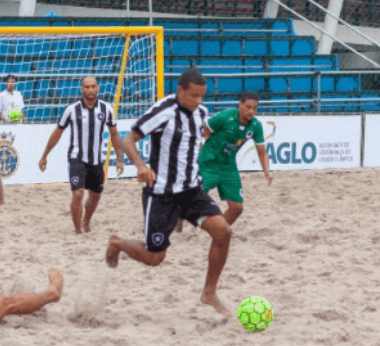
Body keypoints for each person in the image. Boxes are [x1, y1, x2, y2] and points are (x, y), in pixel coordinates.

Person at [105, 68, 233, 316]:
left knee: (223, 232)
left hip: (191, 190)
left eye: (202, 96)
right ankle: (118, 243)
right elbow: (128, 140)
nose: (198, 102)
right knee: (155, 258)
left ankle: (209, 292)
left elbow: (200, 135)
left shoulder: (201, 113)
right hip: (162, 194)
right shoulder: (164, 110)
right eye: (193, 96)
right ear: (180, 90)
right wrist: (141, 166)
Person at [38, 76, 125, 233]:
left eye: (93, 86)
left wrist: (119, 159)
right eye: (87, 87)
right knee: (78, 194)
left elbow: (114, 135)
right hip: (76, 158)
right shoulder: (72, 109)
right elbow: (57, 132)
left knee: (95, 196)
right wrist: (44, 155)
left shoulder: (106, 109)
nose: (90, 90)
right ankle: (77, 230)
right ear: (82, 89)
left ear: (98, 88)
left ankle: (86, 220)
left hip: (96, 160)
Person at [198, 91, 272, 225]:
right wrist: (201, 147)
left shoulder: (256, 126)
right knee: (192, 201)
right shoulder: (224, 117)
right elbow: (203, 132)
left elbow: (261, 152)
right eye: (248, 107)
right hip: (208, 164)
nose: (251, 111)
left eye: (254, 108)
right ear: (240, 104)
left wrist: (266, 171)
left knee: (237, 208)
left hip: (228, 167)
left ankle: (220, 231)